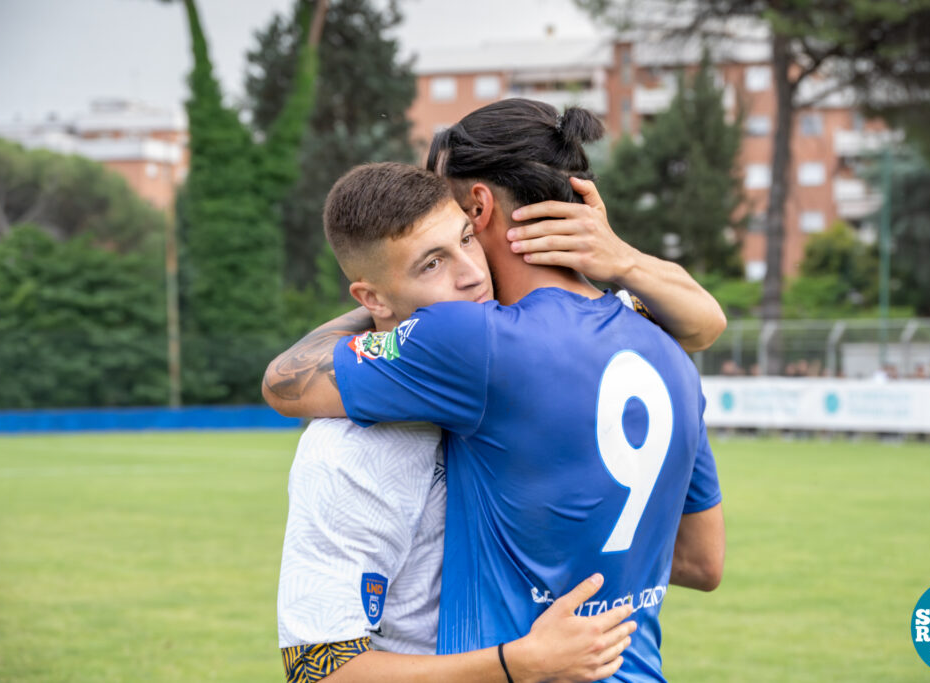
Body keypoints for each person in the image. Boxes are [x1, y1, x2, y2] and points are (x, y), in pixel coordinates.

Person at [265, 100, 725, 682]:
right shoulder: (666, 344)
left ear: (477, 206)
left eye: (445, 203)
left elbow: (284, 382)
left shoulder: (473, 340)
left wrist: (392, 305)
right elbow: (701, 562)